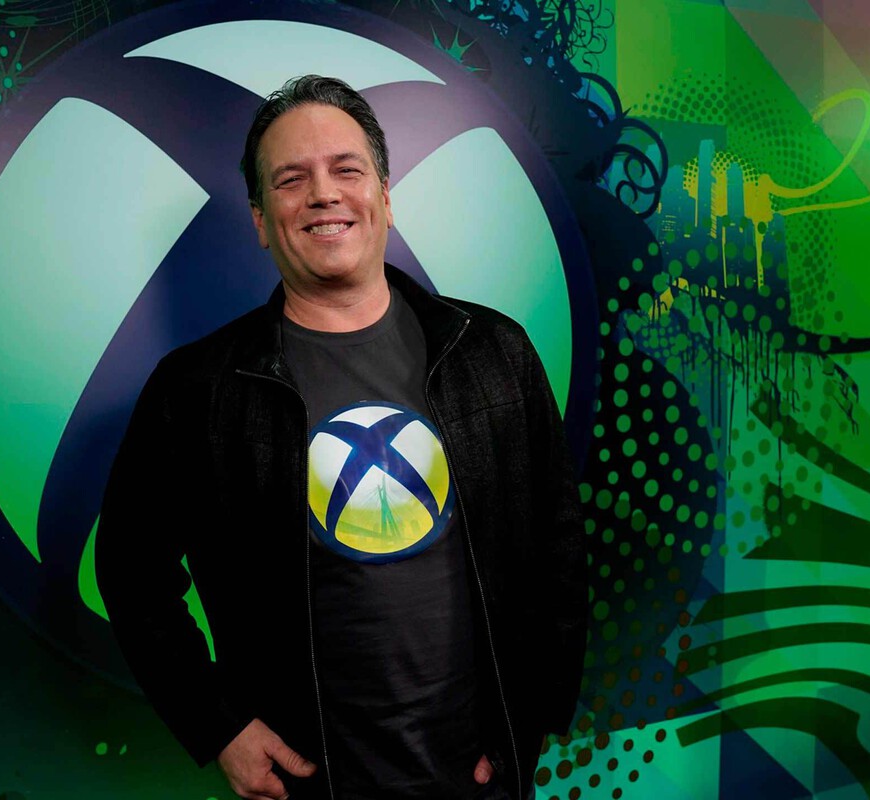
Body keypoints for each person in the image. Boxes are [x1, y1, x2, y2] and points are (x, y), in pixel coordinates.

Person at [97, 75, 587, 800]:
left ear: (384, 197)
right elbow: (131, 571)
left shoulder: (493, 353)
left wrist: (534, 711)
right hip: (309, 783)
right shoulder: (195, 389)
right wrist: (218, 725)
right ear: (261, 220)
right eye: (291, 180)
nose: (323, 194)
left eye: (346, 170)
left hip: (480, 779)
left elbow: (557, 542)